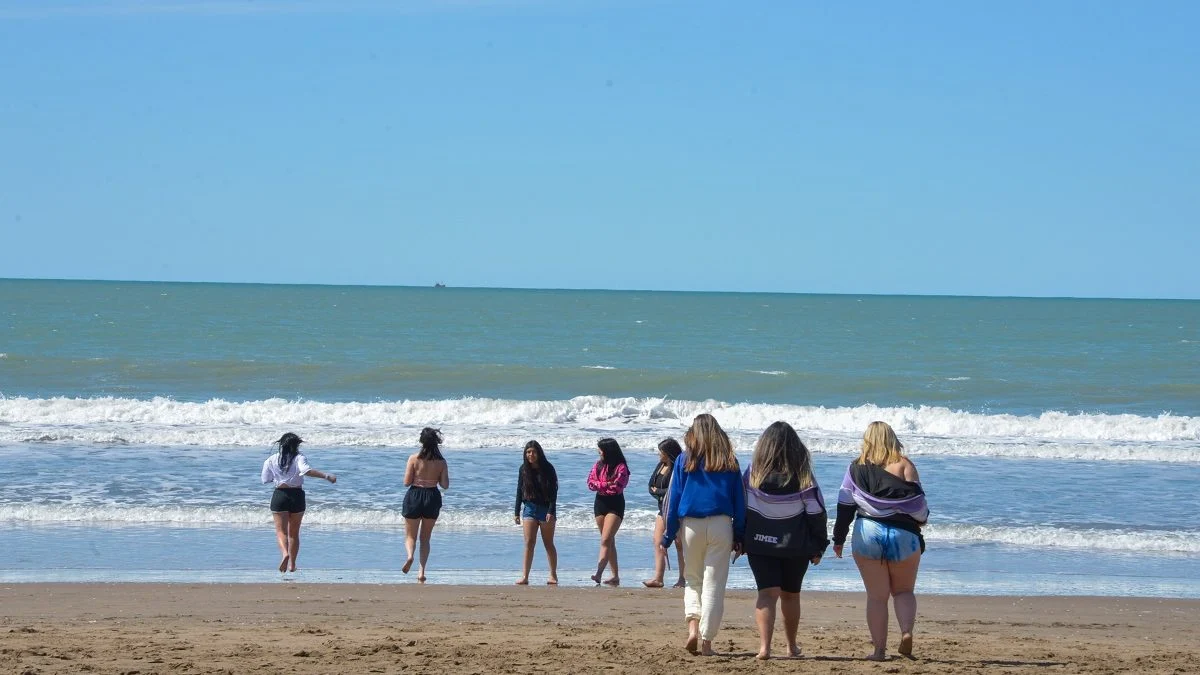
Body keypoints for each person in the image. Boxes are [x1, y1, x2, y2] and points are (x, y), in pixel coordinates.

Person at [832, 421, 929, 661]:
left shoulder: (855, 468)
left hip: (867, 533)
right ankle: (906, 632)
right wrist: (920, 518)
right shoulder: (905, 465)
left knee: (877, 597)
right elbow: (919, 508)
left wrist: (839, 538)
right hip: (903, 535)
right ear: (892, 439)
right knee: (904, 591)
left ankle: (879, 651)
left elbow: (844, 505)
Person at [742, 422, 828, 660]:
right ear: (795, 448)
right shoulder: (803, 476)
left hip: (759, 543)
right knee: (791, 595)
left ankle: (764, 648)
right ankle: (791, 647)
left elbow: (743, 508)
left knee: (766, 594)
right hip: (795, 545)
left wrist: (740, 538)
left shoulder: (752, 473)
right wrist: (820, 544)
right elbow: (816, 512)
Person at [661, 414, 746, 656]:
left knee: (693, 579)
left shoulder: (683, 460)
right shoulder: (729, 461)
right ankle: (707, 642)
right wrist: (740, 533)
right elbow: (740, 501)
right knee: (714, 584)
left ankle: (692, 629)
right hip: (721, 524)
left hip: (690, 526)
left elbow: (673, 499)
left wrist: (668, 535)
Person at [260, 432, 336, 573]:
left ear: (281, 445)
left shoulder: (271, 460)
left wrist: (279, 476)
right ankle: (292, 565)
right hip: (297, 495)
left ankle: (284, 554)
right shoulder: (299, 457)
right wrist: (326, 476)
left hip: (280, 495)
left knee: (280, 531)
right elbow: (306, 471)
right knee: (294, 533)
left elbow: (265, 479)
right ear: (296, 445)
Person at [402, 427, 450, 582]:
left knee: (411, 536)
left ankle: (410, 556)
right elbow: (445, 485)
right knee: (425, 538)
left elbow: (406, 482)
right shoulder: (441, 462)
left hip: (415, 495)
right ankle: (421, 571)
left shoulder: (413, 458)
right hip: (432, 496)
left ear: (421, 441)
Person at [513, 440, 559, 586]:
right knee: (529, 543)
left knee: (548, 543)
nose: (530, 455)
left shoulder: (548, 468)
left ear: (539, 453)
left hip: (546, 509)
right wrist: (516, 511)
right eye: (528, 452)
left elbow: (554, 492)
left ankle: (553, 575)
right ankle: (525, 576)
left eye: (533, 452)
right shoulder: (523, 469)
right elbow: (519, 491)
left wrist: (551, 510)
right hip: (529, 508)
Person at [643, 438, 685, 588]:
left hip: (676, 510)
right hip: (662, 509)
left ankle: (683, 578)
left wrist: (659, 492)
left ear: (668, 453)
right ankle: (658, 577)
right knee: (658, 541)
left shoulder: (678, 467)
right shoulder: (661, 465)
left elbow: (675, 490)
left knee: (680, 544)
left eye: (661, 452)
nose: (659, 455)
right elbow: (650, 486)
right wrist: (659, 494)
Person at [587, 437, 630, 586]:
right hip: (600, 503)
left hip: (615, 504)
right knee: (609, 540)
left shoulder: (621, 467)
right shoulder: (598, 465)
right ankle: (615, 576)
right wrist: (606, 484)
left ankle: (598, 573)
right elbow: (590, 483)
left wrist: (602, 485)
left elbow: (616, 488)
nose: (599, 452)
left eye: (601, 450)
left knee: (605, 539)